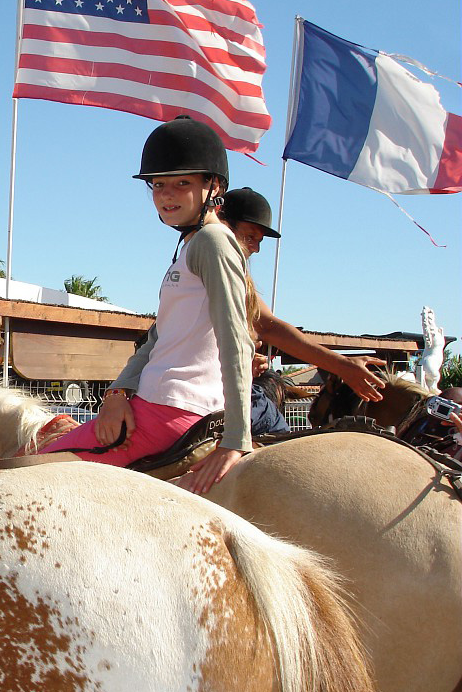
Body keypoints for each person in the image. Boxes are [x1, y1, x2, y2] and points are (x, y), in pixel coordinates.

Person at [42, 116, 253, 495]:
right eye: (158, 185)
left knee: (34, 474)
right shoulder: (191, 244)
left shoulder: (213, 243)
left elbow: (236, 338)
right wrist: (118, 392)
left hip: (174, 407)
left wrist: (237, 438)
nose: (167, 195)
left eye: (182, 183)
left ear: (214, 185)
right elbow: (159, 337)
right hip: (155, 402)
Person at [218, 187, 388, 435]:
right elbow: (267, 326)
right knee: (287, 453)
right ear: (224, 225)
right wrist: (342, 365)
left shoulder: (200, 260)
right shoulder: (222, 264)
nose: (255, 248)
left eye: (259, 240)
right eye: (250, 236)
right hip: (221, 390)